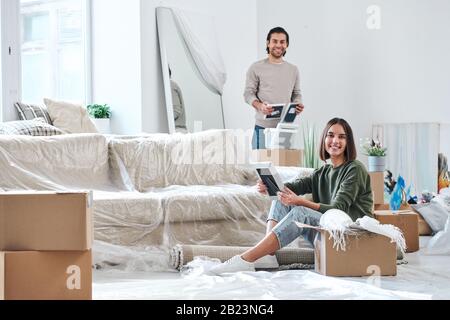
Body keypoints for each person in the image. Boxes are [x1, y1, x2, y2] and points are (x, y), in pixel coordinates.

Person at [210, 118, 374, 275]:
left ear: (348, 142)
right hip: (327, 233)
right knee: (281, 197)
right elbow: (293, 186)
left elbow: (337, 209)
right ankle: (269, 256)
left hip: (349, 234)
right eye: (330, 135)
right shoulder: (322, 172)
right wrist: (269, 186)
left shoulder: (355, 169)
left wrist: (299, 201)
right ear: (324, 139)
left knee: (301, 211)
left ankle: (246, 259)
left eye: (341, 137)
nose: (335, 141)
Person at [244, 27, 305, 149]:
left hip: (285, 129)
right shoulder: (256, 68)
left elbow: (296, 93)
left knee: (282, 167)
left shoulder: (293, 70)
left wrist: (298, 104)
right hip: (262, 128)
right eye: (274, 41)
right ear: (268, 43)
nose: (278, 45)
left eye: (282, 42)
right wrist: (260, 106)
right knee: (258, 166)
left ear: (287, 45)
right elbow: (248, 94)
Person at [169, 67, 187, 132]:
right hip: (176, 131)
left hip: (177, 131)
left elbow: (176, 111)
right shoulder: (170, 85)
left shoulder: (170, 85)